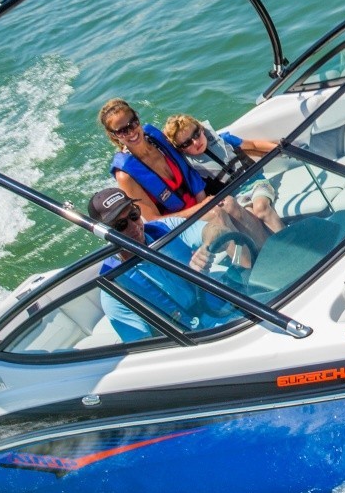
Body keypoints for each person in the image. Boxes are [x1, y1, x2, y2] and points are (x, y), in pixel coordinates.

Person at [87, 188, 241, 337]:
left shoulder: (166, 228)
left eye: (134, 215)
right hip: (196, 339)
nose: (134, 227)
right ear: (105, 234)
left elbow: (218, 231)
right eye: (121, 225)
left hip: (225, 308)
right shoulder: (115, 290)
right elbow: (144, 348)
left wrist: (207, 247)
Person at [162, 113, 284, 232]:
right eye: (187, 143)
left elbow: (253, 145)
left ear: (201, 129)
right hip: (236, 198)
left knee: (261, 208)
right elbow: (202, 201)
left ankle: (287, 242)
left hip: (257, 183)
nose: (195, 142)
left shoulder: (224, 139)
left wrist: (283, 148)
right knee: (250, 218)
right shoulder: (193, 170)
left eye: (196, 134)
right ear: (181, 149)